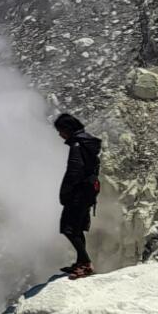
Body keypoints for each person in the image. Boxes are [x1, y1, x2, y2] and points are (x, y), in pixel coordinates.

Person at [54, 113, 102, 280]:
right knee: (77, 227)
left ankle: (86, 264)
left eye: (60, 130)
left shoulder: (77, 145)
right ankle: (81, 261)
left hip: (78, 193)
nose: (59, 135)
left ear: (67, 129)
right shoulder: (87, 142)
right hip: (88, 191)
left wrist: (64, 193)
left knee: (68, 228)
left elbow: (73, 172)